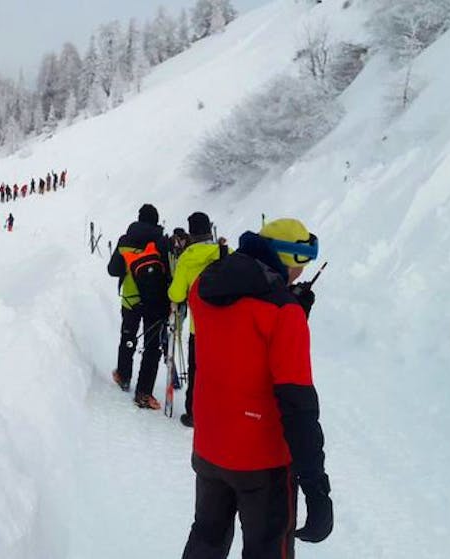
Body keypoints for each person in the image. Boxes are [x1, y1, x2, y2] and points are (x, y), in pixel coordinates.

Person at [181, 218, 331, 559]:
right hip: (263, 462)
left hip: (210, 447)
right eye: (300, 264)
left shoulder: (203, 287)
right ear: (287, 259)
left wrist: (287, 305)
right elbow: (298, 405)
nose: (301, 274)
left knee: (206, 540)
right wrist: (316, 486)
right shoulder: (283, 313)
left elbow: (237, 340)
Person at [107, 204, 172, 410]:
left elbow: (113, 270)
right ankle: (144, 394)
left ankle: (124, 376)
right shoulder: (162, 242)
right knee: (152, 347)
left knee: (128, 338)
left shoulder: (125, 241)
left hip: (131, 300)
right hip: (156, 302)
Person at [167, 213, 226, 428]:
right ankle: (221, 411)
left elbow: (177, 295)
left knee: (197, 370)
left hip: (199, 326)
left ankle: (193, 412)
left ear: (190, 234)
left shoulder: (187, 258)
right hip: (228, 324)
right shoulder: (223, 252)